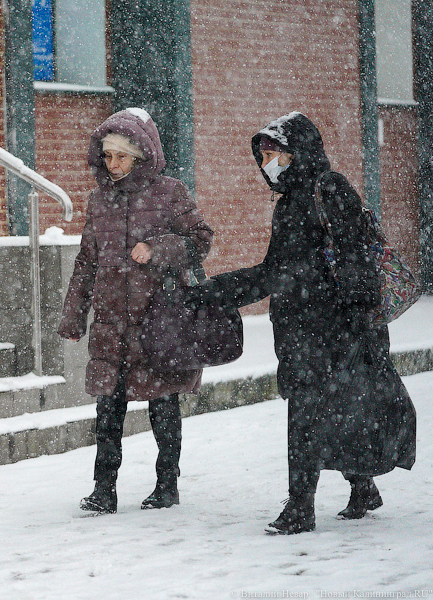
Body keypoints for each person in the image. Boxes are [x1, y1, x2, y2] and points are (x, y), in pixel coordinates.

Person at [185, 112, 416, 534]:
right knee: (338, 411)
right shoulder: (290, 202)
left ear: (299, 152)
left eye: (274, 154)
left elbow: (355, 256)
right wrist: (215, 291)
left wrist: (358, 316)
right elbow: (274, 272)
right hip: (301, 329)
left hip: (336, 329)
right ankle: (363, 488)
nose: (267, 163)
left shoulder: (329, 189)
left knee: (310, 416)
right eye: (263, 156)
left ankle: (300, 507)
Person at [58, 107, 214, 514]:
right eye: (108, 156)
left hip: (157, 320)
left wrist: (156, 248)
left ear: (142, 156)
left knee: (163, 406)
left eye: (122, 157)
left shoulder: (170, 192)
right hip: (111, 324)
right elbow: (87, 261)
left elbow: (200, 240)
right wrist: (74, 315)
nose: (113, 165)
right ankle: (103, 490)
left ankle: (167, 485)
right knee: (107, 409)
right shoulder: (99, 200)